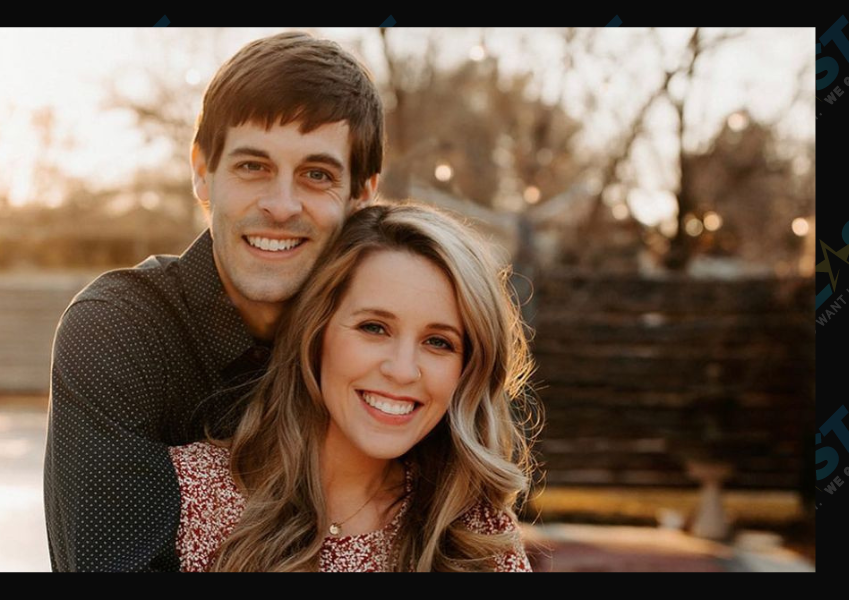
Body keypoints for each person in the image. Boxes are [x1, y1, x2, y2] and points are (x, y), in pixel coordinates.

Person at [43, 31, 383, 571]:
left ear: (362, 194)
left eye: (316, 175)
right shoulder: (115, 333)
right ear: (202, 172)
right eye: (254, 166)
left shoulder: (382, 344)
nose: (280, 205)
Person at [169, 202, 541, 571]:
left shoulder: (476, 535)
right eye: (374, 328)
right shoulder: (189, 493)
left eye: (438, 342)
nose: (402, 371)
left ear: (467, 368)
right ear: (316, 331)